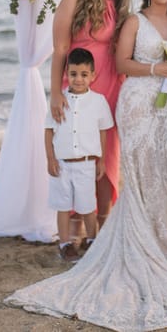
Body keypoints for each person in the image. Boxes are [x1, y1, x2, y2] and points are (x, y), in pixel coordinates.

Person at [6, 0, 167, 330]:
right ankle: (117, 236)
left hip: (166, 105)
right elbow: (121, 62)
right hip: (135, 101)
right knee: (138, 171)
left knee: (163, 170)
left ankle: (163, 239)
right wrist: (157, 70)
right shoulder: (131, 19)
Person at [49, 0, 131, 232]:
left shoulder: (118, 5)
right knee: (76, 154)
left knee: (106, 158)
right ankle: (73, 232)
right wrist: (56, 93)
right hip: (77, 89)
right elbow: (60, 48)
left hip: (110, 90)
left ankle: (102, 231)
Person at [45, 48, 113, 262]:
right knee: (63, 206)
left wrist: (101, 160)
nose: (79, 79)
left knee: (87, 206)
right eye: (73, 74)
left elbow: (103, 131)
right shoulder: (59, 101)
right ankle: (65, 243)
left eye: (84, 74)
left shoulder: (99, 101)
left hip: (86, 164)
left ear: (93, 75)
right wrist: (50, 159)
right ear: (67, 74)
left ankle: (92, 239)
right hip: (62, 164)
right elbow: (48, 130)